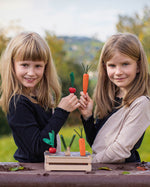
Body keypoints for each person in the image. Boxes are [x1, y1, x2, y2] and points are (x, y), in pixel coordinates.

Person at [0, 32, 80, 163]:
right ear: (12, 65)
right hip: (31, 173)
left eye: (38, 66)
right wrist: (62, 112)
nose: (31, 73)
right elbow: (37, 147)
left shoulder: (40, 96)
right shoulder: (17, 102)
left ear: (45, 67)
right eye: (24, 65)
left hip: (45, 168)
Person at [79, 32, 150, 163]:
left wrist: (89, 162)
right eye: (112, 65)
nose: (118, 72)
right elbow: (97, 144)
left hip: (122, 174)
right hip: (104, 169)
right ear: (105, 67)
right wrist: (87, 117)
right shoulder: (111, 97)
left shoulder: (141, 103)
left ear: (138, 66)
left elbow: (120, 150)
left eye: (125, 64)